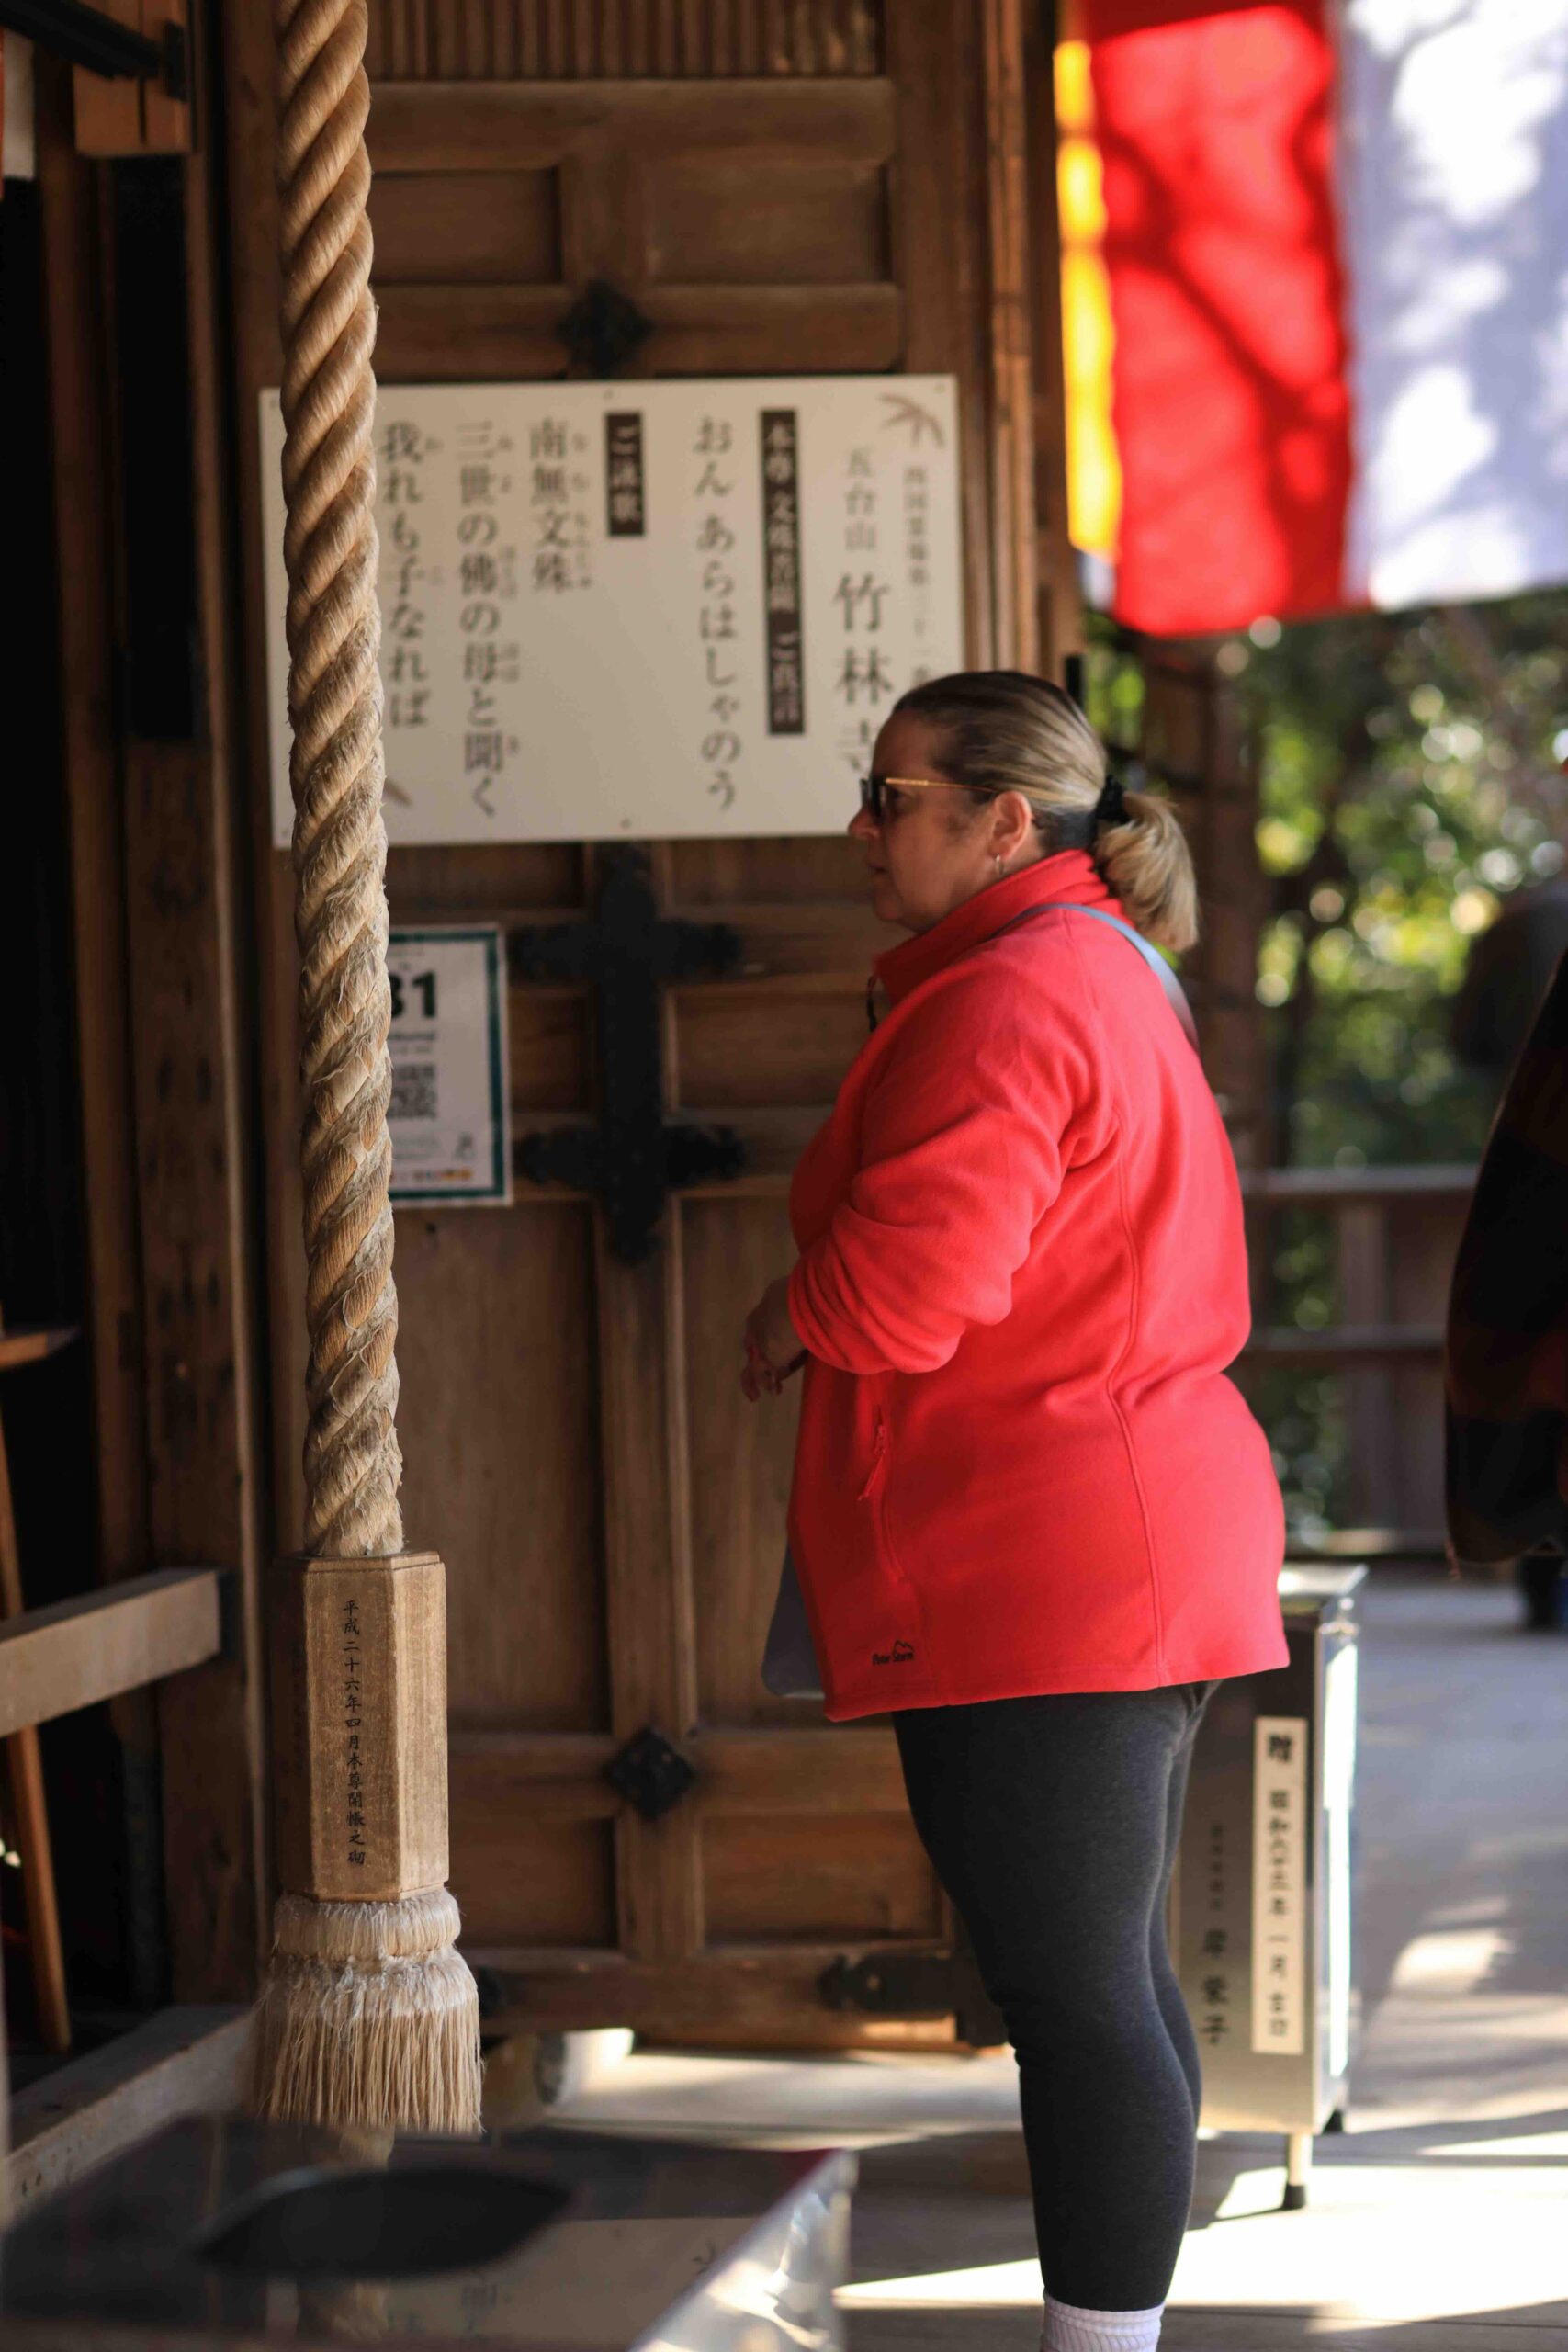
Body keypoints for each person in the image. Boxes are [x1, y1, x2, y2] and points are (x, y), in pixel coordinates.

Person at [740, 671, 1286, 2352]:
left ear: (1001, 821)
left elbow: (909, 1296)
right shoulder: (1092, 966)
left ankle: (1102, 2344)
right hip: (1106, 1529)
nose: (864, 825)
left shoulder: (1014, 992)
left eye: (893, 794)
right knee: (1099, 1977)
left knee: (1072, 1990)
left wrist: (784, 1316)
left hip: (1051, 1551)